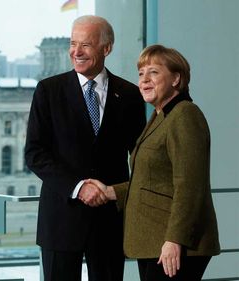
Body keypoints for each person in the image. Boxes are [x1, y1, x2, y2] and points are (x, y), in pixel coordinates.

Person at [24, 15, 146, 281]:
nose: (76, 52)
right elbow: (35, 153)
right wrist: (80, 187)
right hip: (61, 219)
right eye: (73, 43)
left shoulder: (130, 94)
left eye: (86, 45)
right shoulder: (48, 91)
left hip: (109, 221)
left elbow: (140, 157)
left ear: (107, 48)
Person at [86, 44, 221, 281]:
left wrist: (174, 240)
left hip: (174, 243)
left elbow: (190, 185)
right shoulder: (161, 116)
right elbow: (154, 180)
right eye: (141, 74)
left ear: (176, 79)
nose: (144, 80)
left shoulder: (184, 115)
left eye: (154, 73)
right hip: (155, 241)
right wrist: (111, 192)